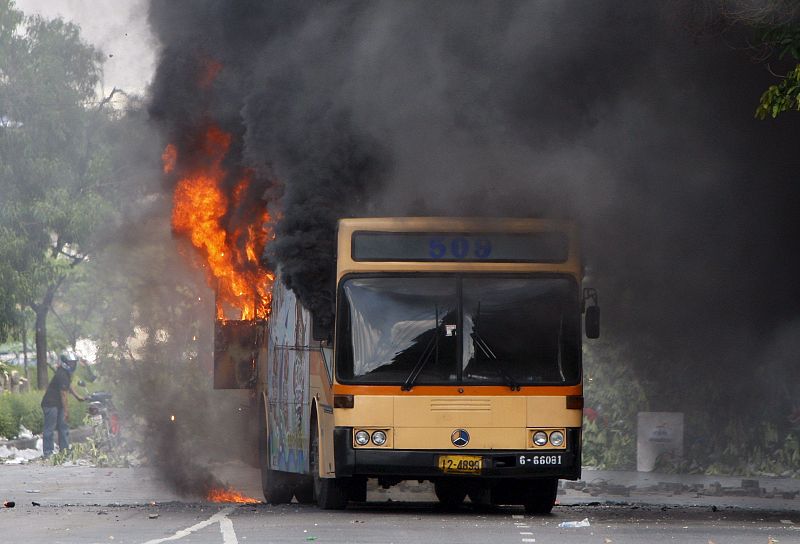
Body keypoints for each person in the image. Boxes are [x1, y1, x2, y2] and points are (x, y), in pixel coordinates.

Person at [41, 351, 85, 458]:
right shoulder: (61, 373)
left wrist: (78, 396)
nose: (73, 365)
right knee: (49, 429)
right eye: (71, 363)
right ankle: (48, 453)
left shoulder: (66, 373)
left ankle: (64, 451)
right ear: (65, 362)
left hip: (58, 404)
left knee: (64, 427)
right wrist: (66, 411)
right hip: (51, 404)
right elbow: (64, 394)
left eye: (74, 363)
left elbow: (68, 385)